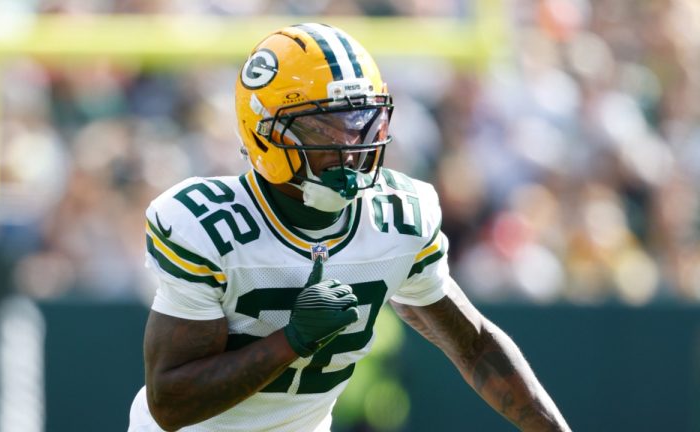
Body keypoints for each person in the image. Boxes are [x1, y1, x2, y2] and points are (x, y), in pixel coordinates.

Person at [128, 23, 570, 432]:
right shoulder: (207, 225)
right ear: (264, 132)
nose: (351, 144)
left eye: (361, 119)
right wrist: (292, 340)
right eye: (326, 126)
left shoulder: (398, 217)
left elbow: (474, 345)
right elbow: (170, 403)